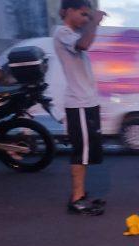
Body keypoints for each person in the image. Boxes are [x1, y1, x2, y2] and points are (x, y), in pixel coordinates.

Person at [54, 0, 107, 215]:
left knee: (88, 152)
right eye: (82, 14)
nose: (85, 19)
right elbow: (84, 44)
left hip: (88, 103)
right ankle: (76, 199)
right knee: (81, 152)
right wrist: (93, 21)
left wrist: (91, 21)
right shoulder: (62, 32)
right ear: (68, 12)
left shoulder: (73, 34)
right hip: (78, 104)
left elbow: (84, 41)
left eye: (87, 15)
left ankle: (81, 194)